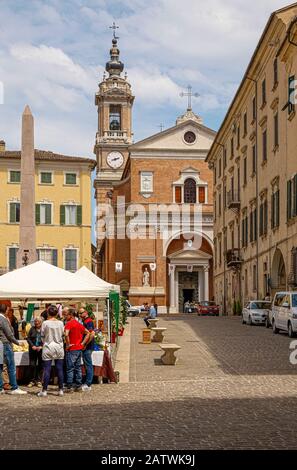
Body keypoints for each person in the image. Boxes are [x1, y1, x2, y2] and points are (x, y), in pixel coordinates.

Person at [0, 303, 27, 395]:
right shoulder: (2, 319)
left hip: (1, 344)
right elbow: (9, 334)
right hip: (6, 344)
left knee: (0, 366)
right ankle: (14, 387)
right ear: (6, 310)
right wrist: (17, 342)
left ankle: (0, 388)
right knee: (11, 366)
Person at [38, 305, 65, 397]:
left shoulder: (45, 323)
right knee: (59, 369)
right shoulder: (61, 323)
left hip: (48, 346)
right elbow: (63, 334)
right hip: (59, 346)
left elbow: (42, 335)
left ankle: (44, 390)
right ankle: (61, 389)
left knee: (47, 369)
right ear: (57, 313)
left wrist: (44, 342)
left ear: (48, 313)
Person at [64, 309, 90, 392]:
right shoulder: (79, 324)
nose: (65, 316)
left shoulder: (69, 324)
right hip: (79, 348)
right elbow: (88, 333)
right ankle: (78, 385)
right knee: (78, 368)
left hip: (72, 348)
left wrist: (68, 344)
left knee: (70, 368)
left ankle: (69, 386)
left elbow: (66, 334)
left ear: (71, 315)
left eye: (66, 315)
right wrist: (82, 343)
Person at [80, 309, 95, 391]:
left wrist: (85, 344)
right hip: (87, 346)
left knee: (88, 364)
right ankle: (87, 381)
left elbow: (92, 334)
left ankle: (88, 383)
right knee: (87, 364)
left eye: (81, 313)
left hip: (88, 346)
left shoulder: (88, 321)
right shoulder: (85, 320)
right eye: (79, 313)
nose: (79, 314)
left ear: (86, 312)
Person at [27, 317, 43, 388]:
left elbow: (46, 339)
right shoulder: (32, 329)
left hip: (41, 350)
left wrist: (41, 346)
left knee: (41, 365)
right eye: (35, 321)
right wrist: (32, 345)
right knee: (32, 365)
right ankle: (32, 380)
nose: (36, 323)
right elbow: (28, 338)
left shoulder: (43, 329)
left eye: (38, 322)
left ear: (41, 322)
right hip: (33, 349)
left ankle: (39, 380)